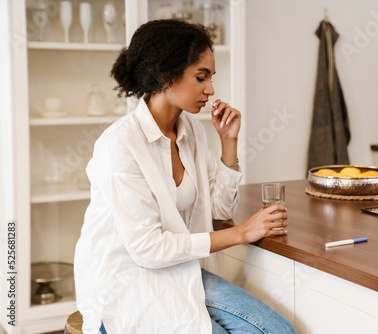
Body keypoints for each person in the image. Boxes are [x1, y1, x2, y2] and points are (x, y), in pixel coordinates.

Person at [74, 19, 297, 334]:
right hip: (126, 283)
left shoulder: (190, 130)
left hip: (180, 271)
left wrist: (229, 142)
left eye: (211, 77)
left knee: (280, 331)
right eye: (201, 77)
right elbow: (148, 250)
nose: (211, 89)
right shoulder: (119, 145)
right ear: (164, 74)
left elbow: (219, 210)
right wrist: (242, 233)